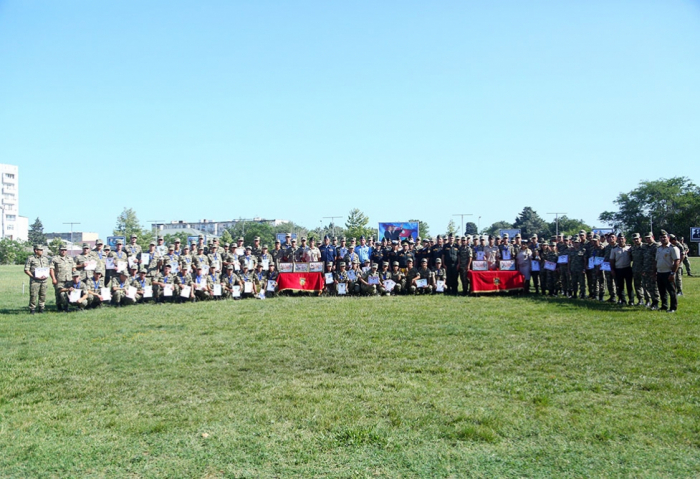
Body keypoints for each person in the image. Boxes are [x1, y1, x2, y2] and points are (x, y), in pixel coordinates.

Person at [655, 232, 680, 313]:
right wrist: (655, 271)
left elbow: (677, 261)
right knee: (662, 291)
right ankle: (664, 306)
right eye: (661, 237)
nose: (663, 239)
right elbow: (656, 261)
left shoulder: (673, 248)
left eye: (664, 237)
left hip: (668, 272)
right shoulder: (659, 248)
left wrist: (673, 273)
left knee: (671, 291)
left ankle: (673, 307)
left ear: (668, 238)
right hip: (660, 272)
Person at [24, 244, 51, 314]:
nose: (42, 251)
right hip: (35, 280)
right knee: (33, 295)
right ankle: (32, 309)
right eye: (40, 250)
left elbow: (48, 268)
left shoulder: (45, 258)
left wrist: (46, 274)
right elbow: (26, 270)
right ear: (36, 250)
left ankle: (41, 308)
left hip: (44, 280)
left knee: (43, 295)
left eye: (42, 250)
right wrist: (33, 276)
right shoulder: (31, 258)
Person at [50, 243, 75, 312]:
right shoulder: (55, 259)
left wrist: (74, 277)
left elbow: (73, 268)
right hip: (59, 279)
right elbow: (51, 269)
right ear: (59, 250)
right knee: (58, 294)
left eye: (65, 250)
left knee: (67, 293)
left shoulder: (70, 258)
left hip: (69, 279)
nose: (63, 251)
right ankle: (59, 307)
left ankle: (66, 307)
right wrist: (53, 278)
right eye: (62, 250)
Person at [610, 234, 633, 305]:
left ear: (625, 239)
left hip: (627, 269)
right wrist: (612, 270)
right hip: (618, 269)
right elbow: (612, 260)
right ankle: (623, 300)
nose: (621, 240)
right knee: (620, 286)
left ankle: (631, 301)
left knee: (629, 285)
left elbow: (633, 258)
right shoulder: (614, 249)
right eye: (619, 239)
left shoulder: (629, 248)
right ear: (617, 239)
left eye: (622, 239)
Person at [642, 232, 660, 310]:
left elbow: (658, 259)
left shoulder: (657, 246)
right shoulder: (645, 247)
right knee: (646, 286)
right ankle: (648, 301)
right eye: (646, 238)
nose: (648, 239)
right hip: (646, 269)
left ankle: (656, 302)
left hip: (653, 269)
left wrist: (655, 270)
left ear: (653, 237)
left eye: (649, 237)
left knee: (654, 286)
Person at [629, 233, 647, 306]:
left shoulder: (645, 247)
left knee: (645, 285)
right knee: (637, 285)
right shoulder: (632, 248)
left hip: (644, 269)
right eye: (634, 239)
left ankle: (648, 300)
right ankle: (640, 300)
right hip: (635, 269)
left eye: (637, 238)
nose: (636, 240)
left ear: (640, 239)